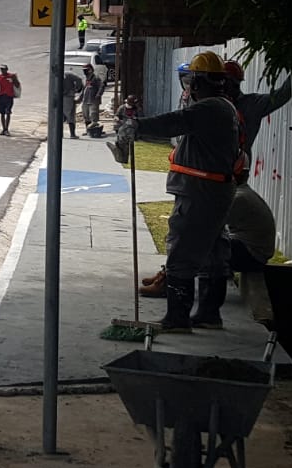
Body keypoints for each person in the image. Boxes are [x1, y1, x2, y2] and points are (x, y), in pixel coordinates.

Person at [113, 51, 243, 333]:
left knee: (182, 251)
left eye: (189, 81)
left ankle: (177, 318)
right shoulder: (223, 107)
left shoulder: (209, 108)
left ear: (196, 82)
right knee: (211, 252)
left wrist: (137, 125)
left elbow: (174, 121)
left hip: (200, 194)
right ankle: (208, 314)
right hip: (212, 191)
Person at [0, 64, 21, 135]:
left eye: (3, 69)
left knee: (8, 112)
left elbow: (17, 85)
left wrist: (14, 79)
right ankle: (4, 129)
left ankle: (6, 129)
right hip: (1, 96)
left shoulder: (11, 76)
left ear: (7, 69)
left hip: (9, 96)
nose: (2, 70)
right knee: (2, 113)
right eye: (1, 69)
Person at [81, 63, 104, 133]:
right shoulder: (86, 78)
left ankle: (95, 131)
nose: (84, 72)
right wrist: (80, 96)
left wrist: (98, 95)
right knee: (86, 115)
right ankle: (88, 130)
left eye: (86, 70)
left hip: (93, 100)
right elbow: (84, 89)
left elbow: (101, 86)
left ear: (90, 70)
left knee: (93, 115)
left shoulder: (96, 77)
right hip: (86, 99)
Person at [61, 68, 84, 139]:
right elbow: (79, 79)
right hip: (68, 96)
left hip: (60, 97)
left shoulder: (57, 75)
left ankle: (59, 134)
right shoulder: (69, 74)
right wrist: (77, 88)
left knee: (61, 115)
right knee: (70, 116)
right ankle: (72, 134)